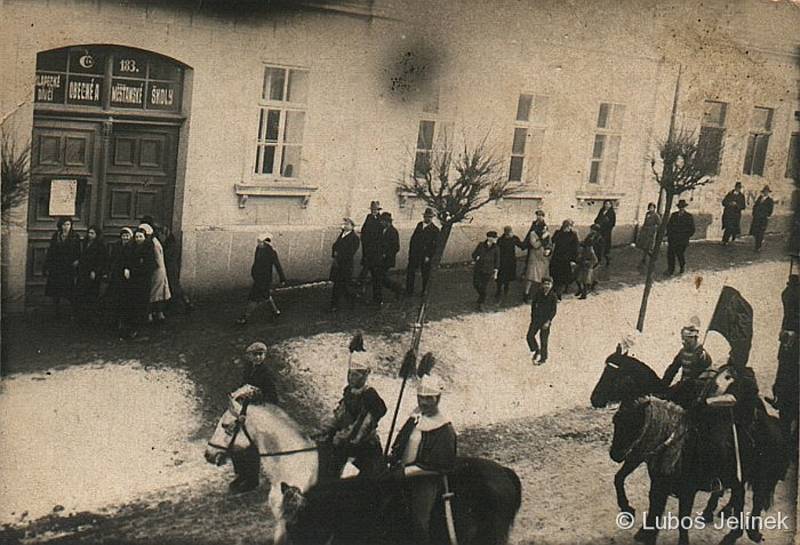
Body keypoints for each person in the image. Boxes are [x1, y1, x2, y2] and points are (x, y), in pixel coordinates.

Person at [388, 373, 457, 545]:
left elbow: (440, 464)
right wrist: (395, 455)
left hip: (426, 479)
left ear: (438, 398)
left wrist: (407, 471)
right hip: (401, 471)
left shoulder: (444, 428)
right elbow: (404, 440)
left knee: (419, 519)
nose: (423, 402)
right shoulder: (416, 417)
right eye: (420, 397)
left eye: (429, 398)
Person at [315, 350, 387, 482]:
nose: (352, 377)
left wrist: (340, 438)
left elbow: (362, 426)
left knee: (367, 481)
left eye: (357, 374)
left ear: (366, 374)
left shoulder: (370, 397)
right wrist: (326, 429)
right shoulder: (349, 391)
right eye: (350, 373)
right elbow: (340, 414)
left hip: (363, 446)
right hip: (344, 442)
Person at [228, 341, 281, 494]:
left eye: (261, 354)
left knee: (251, 446)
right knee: (234, 440)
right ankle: (241, 474)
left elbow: (273, 398)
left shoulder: (266, 374)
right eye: (255, 354)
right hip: (245, 410)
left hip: (260, 413)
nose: (258, 357)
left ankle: (252, 480)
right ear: (249, 356)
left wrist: (257, 395)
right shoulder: (248, 369)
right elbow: (244, 385)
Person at [236, 233, 287, 325]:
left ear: (265, 242)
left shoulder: (271, 252)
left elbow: (277, 265)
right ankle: (275, 311)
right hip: (258, 278)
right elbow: (256, 262)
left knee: (253, 298)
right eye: (258, 241)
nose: (258, 243)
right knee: (266, 296)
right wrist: (253, 273)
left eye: (260, 242)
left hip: (265, 279)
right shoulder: (258, 249)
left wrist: (282, 279)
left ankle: (244, 317)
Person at [662, 320, 713, 406]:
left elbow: (703, 380)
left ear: (694, 338)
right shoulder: (682, 352)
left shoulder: (702, 355)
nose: (684, 343)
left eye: (687, 341)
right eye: (683, 339)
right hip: (683, 386)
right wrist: (663, 385)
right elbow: (672, 369)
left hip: (696, 391)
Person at [44, 217, 82, 318]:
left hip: (68, 267)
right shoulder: (56, 236)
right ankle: (56, 311)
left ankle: (74, 312)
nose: (66, 227)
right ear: (61, 225)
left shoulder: (75, 236)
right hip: (56, 267)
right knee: (55, 290)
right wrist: (47, 265)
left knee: (69, 291)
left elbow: (79, 251)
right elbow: (51, 251)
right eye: (64, 225)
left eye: (68, 224)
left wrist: (77, 261)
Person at [139, 222, 171, 323]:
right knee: (159, 293)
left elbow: (155, 259)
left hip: (155, 271)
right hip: (160, 270)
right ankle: (159, 313)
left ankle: (150, 314)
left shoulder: (151, 244)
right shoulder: (155, 241)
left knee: (151, 293)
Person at [128, 228, 157, 337]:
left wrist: (135, 270)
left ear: (145, 238)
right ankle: (134, 328)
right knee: (134, 304)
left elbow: (149, 266)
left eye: (140, 237)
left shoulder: (148, 250)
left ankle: (141, 330)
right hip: (134, 281)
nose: (138, 239)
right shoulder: (133, 248)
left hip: (143, 282)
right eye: (136, 237)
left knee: (142, 304)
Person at [106, 227, 135, 335]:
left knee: (125, 299)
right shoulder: (116, 246)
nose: (125, 238)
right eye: (123, 236)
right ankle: (114, 320)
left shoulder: (132, 247)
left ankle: (123, 322)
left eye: (127, 236)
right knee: (114, 298)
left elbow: (133, 260)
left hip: (127, 278)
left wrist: (128, 268)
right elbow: (112, 259)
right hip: (116, 276)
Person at [76, 225, 107, 321]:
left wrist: (95, 271)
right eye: (89, 233)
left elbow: (102, 260)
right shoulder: (85, 243)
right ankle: (82, 314)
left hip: (93, 272)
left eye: (92, 233)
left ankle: (91, 315)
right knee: (81, 292)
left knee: (92, 293)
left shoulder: (100, 245)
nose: (90, 235)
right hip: (83, 271)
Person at [406, 208, 439, 296]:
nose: (427, 218)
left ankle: (424, 290)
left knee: (425, 274)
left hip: (425, 255)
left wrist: (429, 256)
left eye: (429, 217)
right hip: (415, 253)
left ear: (432, 218)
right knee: (410, 271)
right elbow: (413, 239)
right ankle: (409, 290)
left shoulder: (435, 229)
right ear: (423, 217)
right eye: (426, 216)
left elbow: (434, 245)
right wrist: (411, 252)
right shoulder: (419, 225)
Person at [161, 225, 194, 314]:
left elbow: (167, 256)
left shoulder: (171, 244)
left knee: (174, 286)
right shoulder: (170, 243)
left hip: (170, 268)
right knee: (174, 286)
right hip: (171, 267)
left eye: (164, 233)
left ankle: (186, 302)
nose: (162, 235)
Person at [330, 218, 360, 312]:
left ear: (352, 226)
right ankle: (339, 303)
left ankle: (338, 304)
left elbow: (350, 251)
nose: (345, 225)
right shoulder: (342, 234)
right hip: (338, 263)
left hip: (345, 264)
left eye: (347, 224)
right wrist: (334, 252)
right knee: (339, 284)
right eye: (345, 223)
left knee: (342, 284)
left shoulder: (354, 238)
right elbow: (335, 245)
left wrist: (339, 255)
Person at [527, 276, 557, 365]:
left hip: (545, 321)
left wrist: (548, 321)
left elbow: (553, 311)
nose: (547, 286)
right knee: (529, 336)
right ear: (542, 285)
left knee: (543, 340)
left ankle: (543, 358)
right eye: (545, 284)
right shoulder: (538, 294)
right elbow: (533, 305)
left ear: (551, 285)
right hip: (536, 319)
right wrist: (533, 317)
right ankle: (536, 349)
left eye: (549, 284)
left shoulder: (553, 296)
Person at [522, 210, 550, 303]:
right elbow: (533, 241)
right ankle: (526, 294)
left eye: (541, 215)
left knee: (542, 274)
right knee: (531, 274)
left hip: (542, 254)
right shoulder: (534, 228)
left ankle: (540, 294)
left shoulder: (545, 226)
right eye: (538, 215)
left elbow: (548, 241)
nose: (539, 217)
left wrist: (548, 249)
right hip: (534, 253)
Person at [358, 201, 384, 296]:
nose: (374, 211)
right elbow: (364, 233)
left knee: (374, 272)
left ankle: (368, 289)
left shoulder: (381, 219)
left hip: (377, 251)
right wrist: (365, 245)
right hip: (368, 249)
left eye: (376, 209)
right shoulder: (368, 218)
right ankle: (361, 288)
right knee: (365, 269)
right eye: (373, 209)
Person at [376, 211, 402, 304]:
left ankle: (397, 288)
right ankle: (396, 289)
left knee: (380, 278)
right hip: (380, 259)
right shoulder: (382, 230)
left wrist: (386, 254)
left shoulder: (393, 232)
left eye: (382, 221)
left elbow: (396, 247)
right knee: (380, 278)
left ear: (387, 222)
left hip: (387, 260)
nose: (381, 223)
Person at [549, 219, 578, 300]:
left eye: (570, 226)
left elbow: (575, 248)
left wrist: (573, 260)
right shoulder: (558, 233)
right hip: (557, 257)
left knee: (563, 276)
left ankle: (559, 294)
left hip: (566, 259)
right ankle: (554, 290)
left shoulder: (573, 235)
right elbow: (552, 241)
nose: (568, 228)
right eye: (567, 226)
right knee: (554, 274)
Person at [666, 199, 695, 276]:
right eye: (680, 207)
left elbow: (692, 229)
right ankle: (670, 270)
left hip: (682, 240)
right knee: (670, 254)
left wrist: (686, 236)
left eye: (683, 207)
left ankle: (682, 266)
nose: (681, 208)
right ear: (678, 207)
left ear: (685, 207)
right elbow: (669, 226)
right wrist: (669, 235)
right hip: (673, 239)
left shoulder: (689, 216)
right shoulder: (674, 215)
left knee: (679, 254)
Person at [471, 231, 499, 310]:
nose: (495, 239)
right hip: (478, 269)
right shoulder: (481, 245)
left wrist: (495, 272)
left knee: (484, 286)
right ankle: (482, 297)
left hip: (488, 270)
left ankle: (480, 303)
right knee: (476, 284)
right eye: (494, 238)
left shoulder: (496, 248)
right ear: (489, 238)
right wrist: (476, 257)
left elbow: (497, 261)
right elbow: (474, 254)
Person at [495, 226, 523, 299]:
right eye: (508, 232)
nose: (510, 234)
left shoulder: (514, 238)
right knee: (500, 277)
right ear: (505, 233)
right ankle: (498, 290)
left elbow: (521, 246)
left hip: (510, 261)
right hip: (502, 261)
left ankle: (506, 290)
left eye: (510, 232)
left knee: (507, 277)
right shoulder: (500, 240)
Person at [636, 202, 661, 269]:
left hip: (651, 233)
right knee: (644, 247)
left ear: (654, 208)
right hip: (645, 232)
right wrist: (642, 229)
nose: (651, 209)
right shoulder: (647, 214)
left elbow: (659, 224)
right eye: (650, 208)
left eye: (652, 208)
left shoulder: (656, 215)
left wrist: (653, 228)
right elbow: (645, 222)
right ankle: (644, 259)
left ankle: (652, 258)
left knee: (649, 247)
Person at [749, 185, 774, 251]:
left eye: (767, 191)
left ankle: (758, 247)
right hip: (756, 218)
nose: (766, 192)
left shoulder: (770, 200)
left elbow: (770, 210)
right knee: (755, 232)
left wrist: (766, 215)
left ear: (768, 192)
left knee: (760, 232)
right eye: (765, 191)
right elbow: (755, 206)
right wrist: (754, 213)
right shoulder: (760, 198)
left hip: (763, 219)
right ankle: (757, 244)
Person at [575, 233, 599, 300]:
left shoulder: (590, 251)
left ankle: (584, 294)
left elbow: (595, 260)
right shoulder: (584, 250)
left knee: (584, 282)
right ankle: (580, 290)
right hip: (582, 266)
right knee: (577, 279)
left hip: (587, 268)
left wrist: (587, 262)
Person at [594, 199, 616, 266]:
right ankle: (598, 259)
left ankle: (607, 259)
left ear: (610, 205)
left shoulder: (612, 213)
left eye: (608, 204)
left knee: (605, 246)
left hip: (606, 232)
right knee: (598, 245)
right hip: (599, 231)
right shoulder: (602, 211)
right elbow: (597, 219)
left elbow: (612, 223)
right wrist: (597, 223)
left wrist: (604, 227)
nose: (607, 205)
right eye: (606, 204)